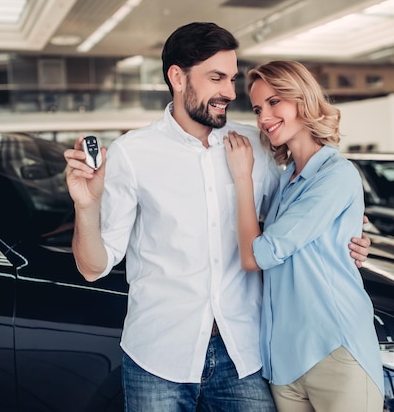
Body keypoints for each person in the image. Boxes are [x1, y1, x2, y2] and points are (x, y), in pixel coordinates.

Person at [64, 22, 371, 411]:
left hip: (244, 353)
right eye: (216, 77)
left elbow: (294, 219)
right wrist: (86, 206)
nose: (229, 91)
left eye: (231, 78)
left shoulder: (255, 147)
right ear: (177, 77)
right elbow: (93, 267)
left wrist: (353, 235)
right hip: (158, 356)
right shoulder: (132, 153)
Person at [224, 60, 384, 411]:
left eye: (274, 101)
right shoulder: (285, 181)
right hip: (284, 363)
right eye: (256, 108)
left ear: (303, 101)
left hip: (335, 352)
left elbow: (255, 257)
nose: (264, 117)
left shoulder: (336, 175)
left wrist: (242, 179)